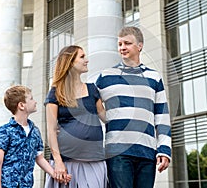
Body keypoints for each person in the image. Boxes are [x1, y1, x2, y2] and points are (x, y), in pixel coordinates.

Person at [95, 26, 172, 188]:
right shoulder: (106, 76)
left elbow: (162, 116)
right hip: (117, 152)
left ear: (140, 46)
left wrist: (164, 149)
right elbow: (88, 104)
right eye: (120, 44)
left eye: (127, 43)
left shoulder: (154, 77)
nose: (122, 47)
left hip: (147, 151)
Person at [44, 45, 107, 188]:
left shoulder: (92, 89)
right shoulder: (55, 93)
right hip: (66, 162)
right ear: (70, 62)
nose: (87, 60)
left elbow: (105, 117)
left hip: (94, 160)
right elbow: (51, 130)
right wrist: (58, 161)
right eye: (82, 57)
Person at [0, 85, 61, 188]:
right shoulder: (4, 131)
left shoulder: (35, 132)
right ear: (21, 105)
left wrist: (55, 174)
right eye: (31, 99)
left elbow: (39, 158)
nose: (35, 102)